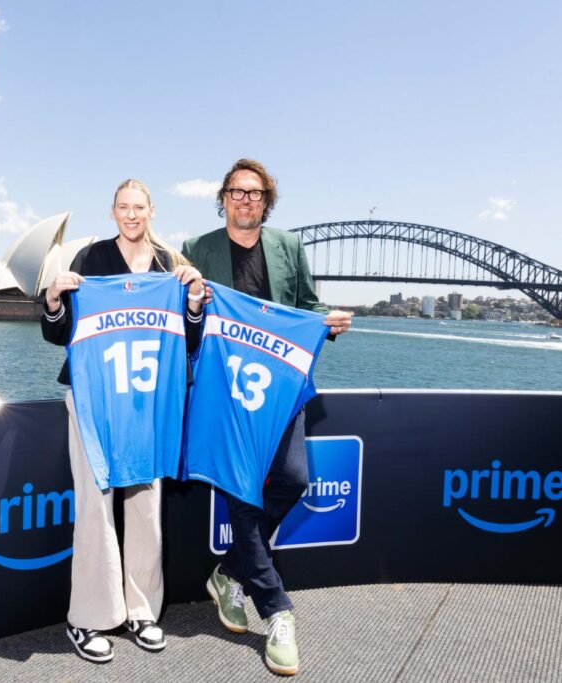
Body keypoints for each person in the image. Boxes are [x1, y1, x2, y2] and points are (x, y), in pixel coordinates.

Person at [181, 159, 352, 676]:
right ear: (224, 198)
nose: (246, 200)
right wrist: (192, 303)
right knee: (241, 490)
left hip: (278, 391)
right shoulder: (197, 250)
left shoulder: (289, 248)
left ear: (266, 201)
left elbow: (307, 307)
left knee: (295, 477)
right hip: (224, 393)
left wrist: (331, 323)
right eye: (237, 191)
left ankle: (230, 572)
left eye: (255, 193)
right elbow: (184, 326)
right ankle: (277, 609)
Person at [42, 178, 206, 663]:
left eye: (139, 207)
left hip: (145, 403)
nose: (131, 215)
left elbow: (190, 340)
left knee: (146, 507)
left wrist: (194, 301)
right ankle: (89, 618)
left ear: (152, 210)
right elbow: (60, 333)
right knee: (95, 506)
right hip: (95, 401)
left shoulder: (171, 264)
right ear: (112, 212)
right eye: (123, 207)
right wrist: (53, 299)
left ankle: (143, 611)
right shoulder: (90, 260)